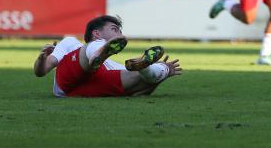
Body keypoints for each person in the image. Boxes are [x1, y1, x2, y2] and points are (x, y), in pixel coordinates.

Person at [32, 15, 181, 97]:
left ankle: (154, 69)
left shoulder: (114, 66)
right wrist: (42, 58)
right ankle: (95, 55)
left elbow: (140, 92)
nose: (120, 35)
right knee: (87, 51)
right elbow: (41, 71)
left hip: (89, 87)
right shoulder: (71, 43)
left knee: (143, 75)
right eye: (115, 29)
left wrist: (160, 78)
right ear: (96, 33)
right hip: (67, 82)